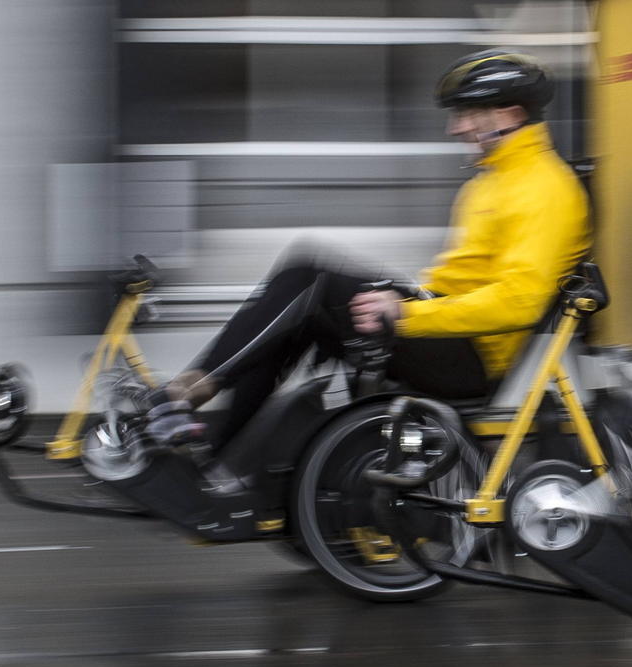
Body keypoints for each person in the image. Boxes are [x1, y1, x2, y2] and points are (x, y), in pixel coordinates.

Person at [144, 49, 592, 469]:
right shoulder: (491, 181)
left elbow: (519, 301)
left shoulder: (545, 188)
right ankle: (217, 464)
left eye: (469, 114)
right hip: (443, 327)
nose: (456, 129)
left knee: (310, 277)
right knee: (300, 313)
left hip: (470, 358)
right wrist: (406, 305)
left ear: (510, 116)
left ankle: (187, 392)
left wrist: (406, 314)